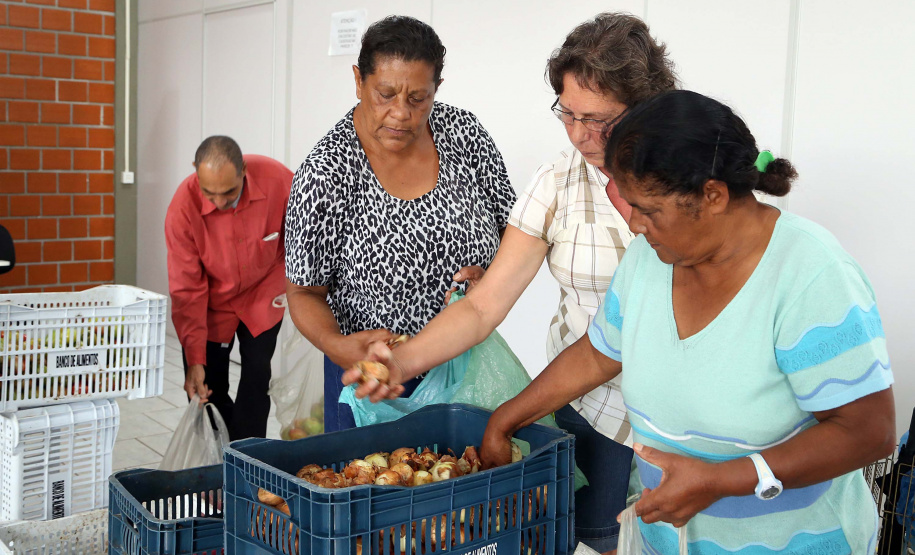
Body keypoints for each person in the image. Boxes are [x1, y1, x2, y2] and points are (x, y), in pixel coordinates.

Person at [474, 90, 894, 553]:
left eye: (648, 210)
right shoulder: (649, 260)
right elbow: (599, 353)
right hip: (671, 541)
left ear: (712, 195)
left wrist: (723, 479)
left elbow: (868, 432)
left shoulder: (810, 275)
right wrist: (504, 421)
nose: (634, 224)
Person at [344, 13, 676, 551]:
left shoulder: (688, 176)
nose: (581, 135)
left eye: (599, 120)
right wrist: (402, 362)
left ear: (646, 105)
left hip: (685, 414)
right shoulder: (559, 181)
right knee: (595, 536)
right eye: (567, 114)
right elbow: (482, 307)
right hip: (593, 404)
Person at [284, 15, 516, 432]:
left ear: (436, 90)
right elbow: (303, 292)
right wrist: (337, 346)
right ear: (359, 81)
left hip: (468, 368)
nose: (400, 113)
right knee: (374, 487)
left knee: (460, 486)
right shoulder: (327, 173)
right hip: (376, 381)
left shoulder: (463, 134)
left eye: (418, 98)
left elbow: (511, 231)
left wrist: (491, 274)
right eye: (385, 94)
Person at [165, 135, 292, 441]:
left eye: (230, 192)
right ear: (196, 171)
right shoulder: (182, 208)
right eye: (210, 193)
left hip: (262, 293)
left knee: (256, 380)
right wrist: (194, 358)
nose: (220, 202)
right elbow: (186, 289)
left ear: (244, 170)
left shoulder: (279, 181)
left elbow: (303, 240)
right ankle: (217, 464)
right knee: (206, 388)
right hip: (209, 302)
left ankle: (248, 464)